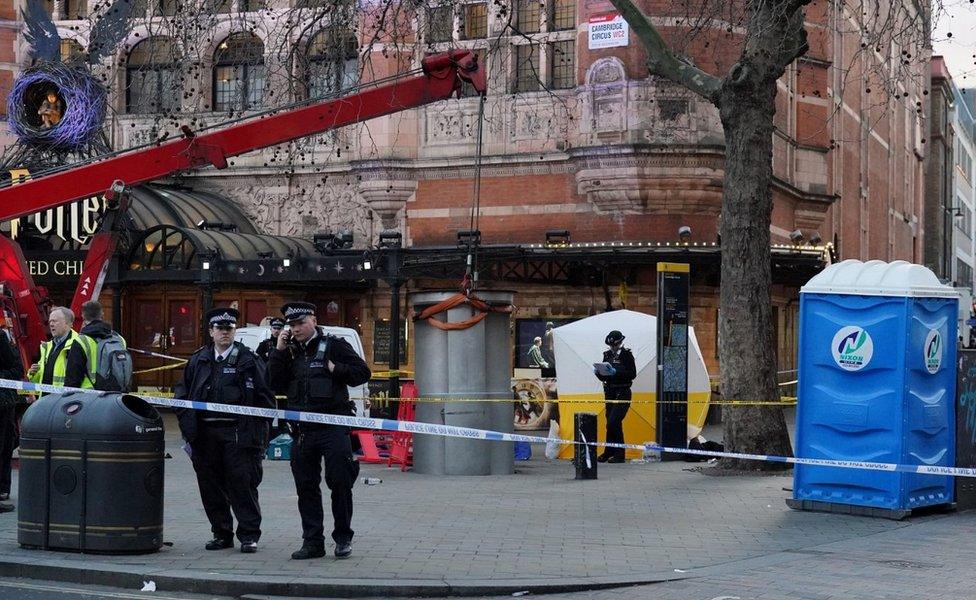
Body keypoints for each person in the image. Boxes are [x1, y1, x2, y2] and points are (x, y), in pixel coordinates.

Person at [267, 301, 371, 560]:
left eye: (301, 323)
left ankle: (343, 538)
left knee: (340, 482)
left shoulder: (334, 345)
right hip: (303, 430)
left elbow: (362, 372)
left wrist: (337, 370)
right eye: (292, 325)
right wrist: (278, 350)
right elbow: (271, 383)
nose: (297, 328)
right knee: (306, 487)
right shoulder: (289, 351)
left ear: (313, 320)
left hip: (333, 425)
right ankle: (312, 542)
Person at [174, 308, 274, 554]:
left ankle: (249, 535)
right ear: (211, 332)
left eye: (229, 329)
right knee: (210, 487)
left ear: (234, 331)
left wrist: (260, 435)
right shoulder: (198, 359)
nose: (225, 333)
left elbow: (265, 398)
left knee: (242, 485)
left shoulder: (248, 360)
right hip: (205, 435)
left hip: (237, 434)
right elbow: (182, 396)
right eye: (220, 329)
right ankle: (221, 534)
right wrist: (188, 429)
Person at [28, 307, 96, 393]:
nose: (51, 324)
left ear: (68, 323)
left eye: (54, 321)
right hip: (48, 401)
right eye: (50, 321)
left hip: (70, 401)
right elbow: (42, 380)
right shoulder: (47, 347)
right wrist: (33, 374)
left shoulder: (79, 344)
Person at [594, 330, 636, 463]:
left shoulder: (626, 355)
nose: (612, 348)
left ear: (620, 343)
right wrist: (599, 373)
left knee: (614, 422)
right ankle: (609, 451)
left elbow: (632, 373)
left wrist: (616, 372)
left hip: (622, 392)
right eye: (610, 345)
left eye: (614, 345)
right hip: (610, 392)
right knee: (610, 424)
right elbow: (604, 376)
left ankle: (620, 454)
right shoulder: (607, 355)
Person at [80, 300, 132, 392]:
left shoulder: (81, 340)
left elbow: (74, 373)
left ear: (83, 316)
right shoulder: (119, 338)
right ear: (102, 314)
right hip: (118, 391)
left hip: (91, 393)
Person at [0, 328, 23, 512]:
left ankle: (2, 490)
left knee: (4, 445)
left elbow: (16, 370)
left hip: (2, 404)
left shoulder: (1, 338)